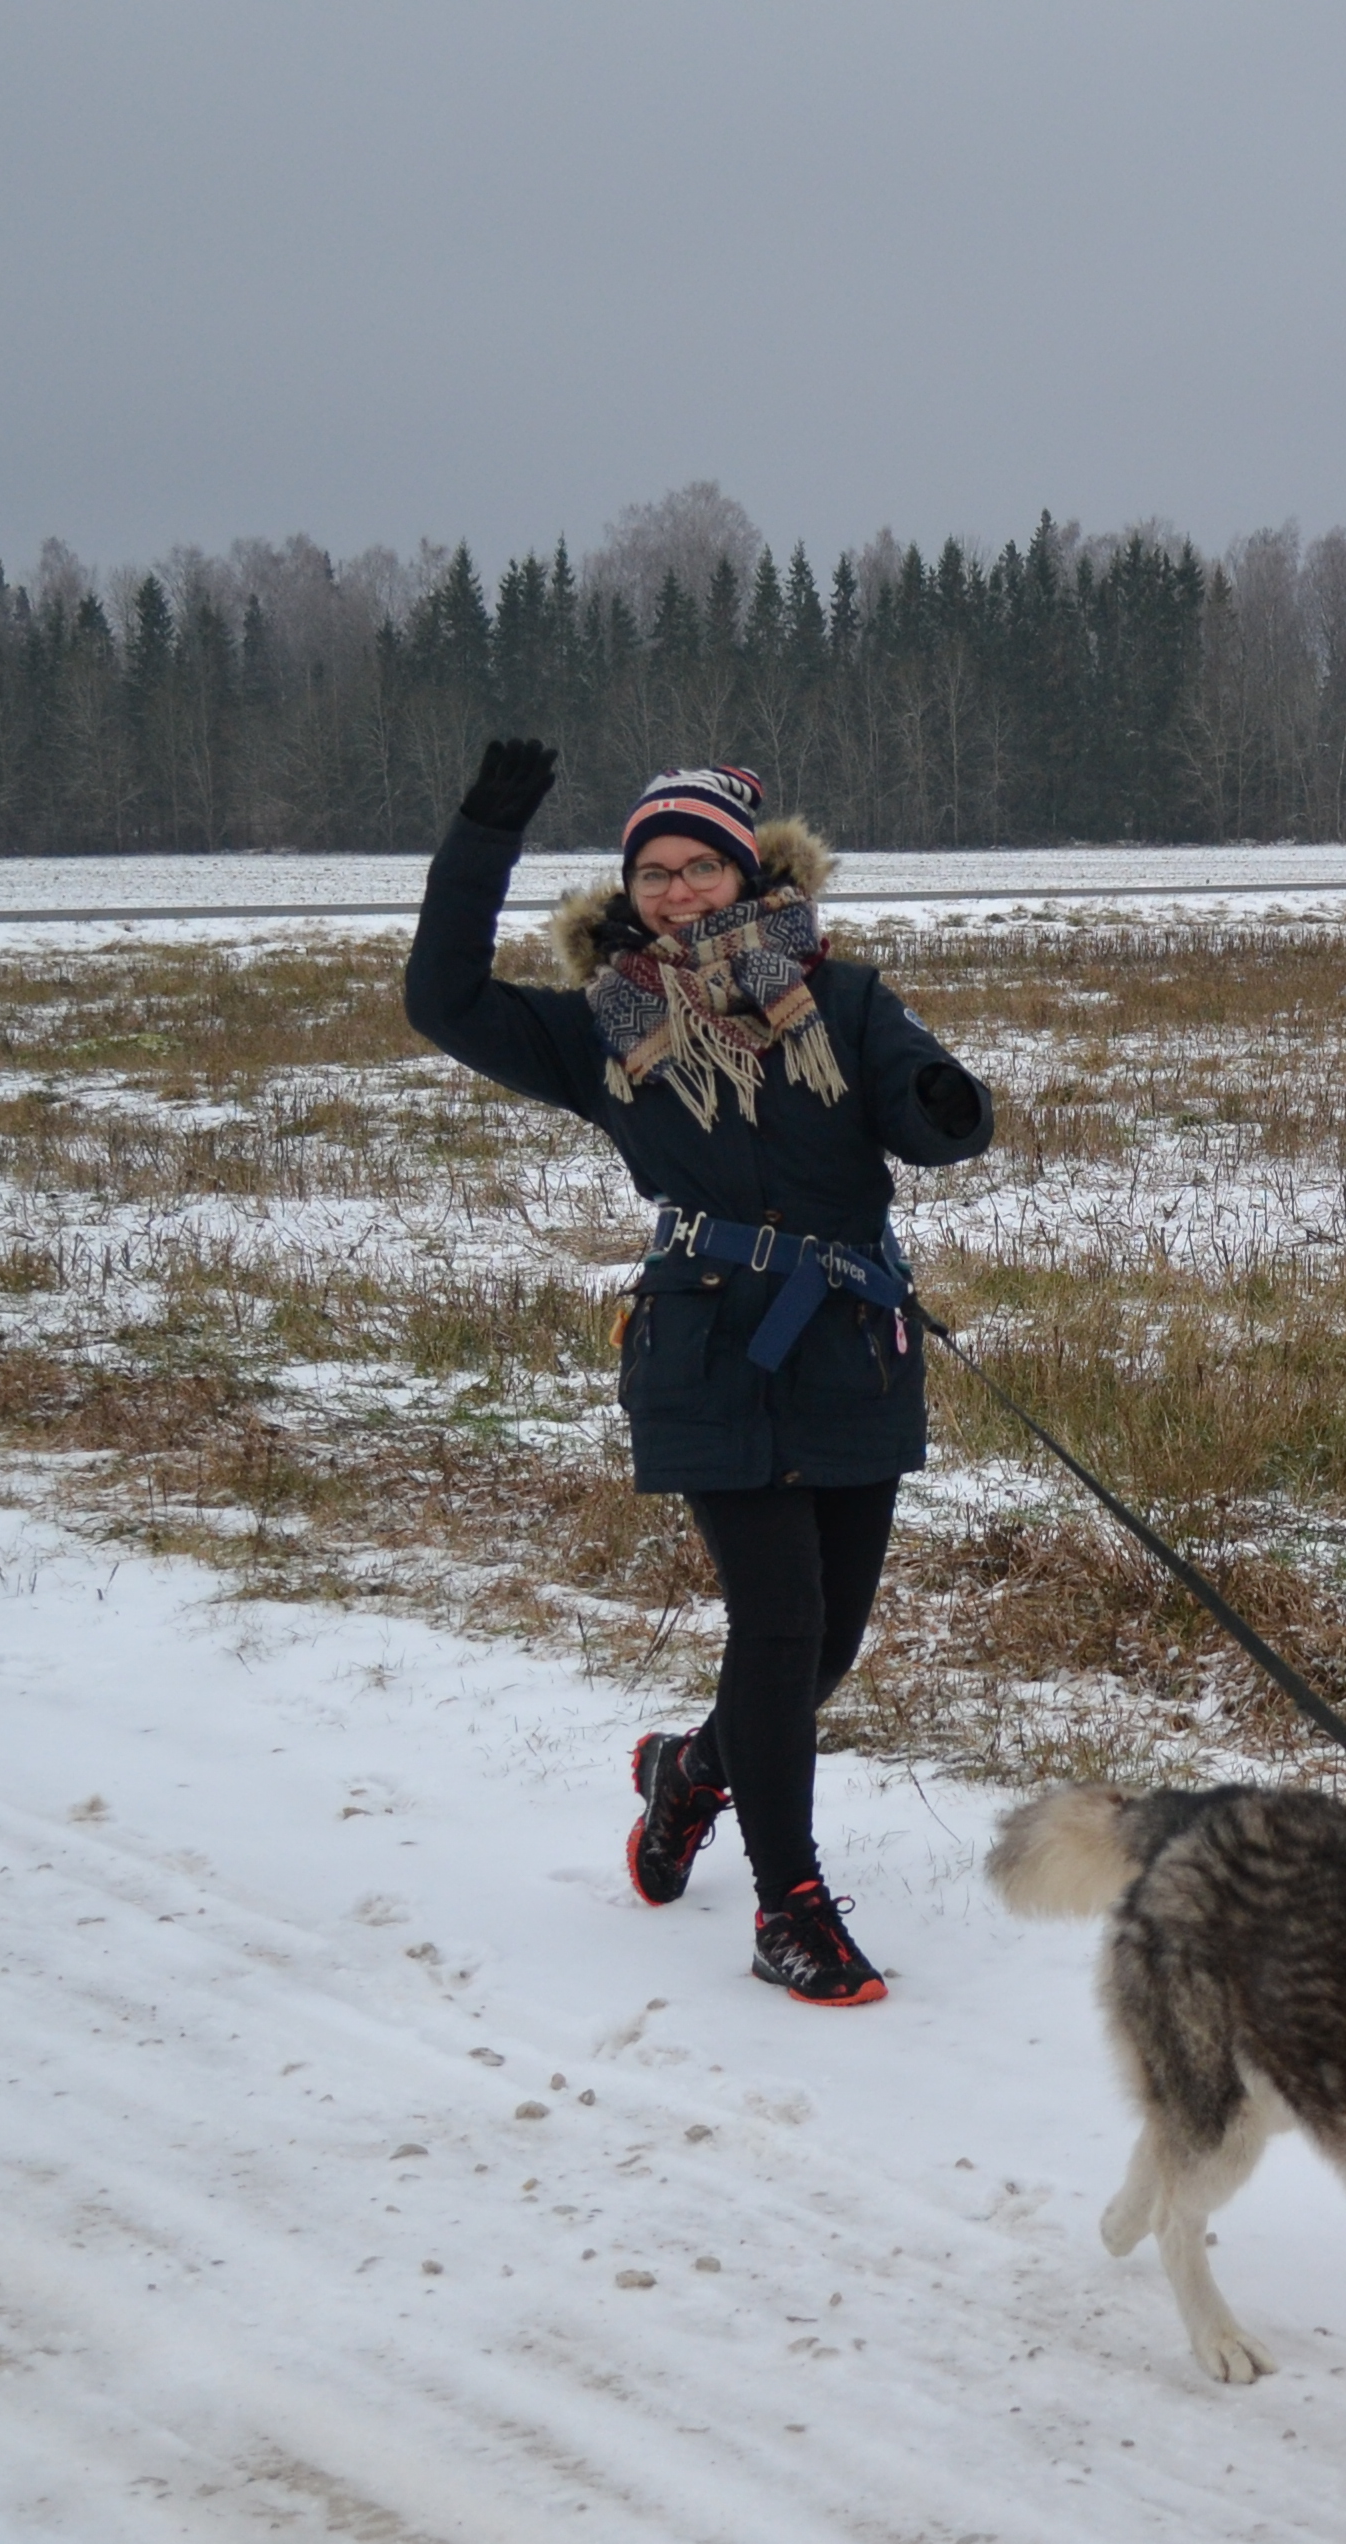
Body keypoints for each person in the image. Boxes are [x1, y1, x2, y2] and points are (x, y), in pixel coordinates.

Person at [403, 737, 993, 2005]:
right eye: (654, 872)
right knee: (776, 1625)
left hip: (849, 1344)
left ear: (749, 872)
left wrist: (943, 1103)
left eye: (700, 867)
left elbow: (918, 1103)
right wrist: (481, 839)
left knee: (825, 1644)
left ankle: (692, 1771)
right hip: (710, 1347)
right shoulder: (604, 1030)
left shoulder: (842, 1000)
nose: (677, 891)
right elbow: (443, 1003)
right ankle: (792, 1907)